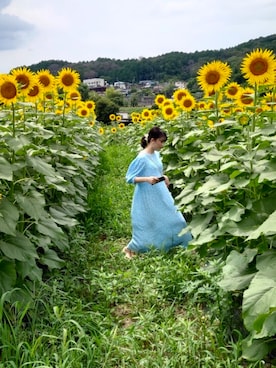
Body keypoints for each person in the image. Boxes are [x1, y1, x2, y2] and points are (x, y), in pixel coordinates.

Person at [123, 126, 192, 259]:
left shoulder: (156, 154)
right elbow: (129, 178)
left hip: (161, 192)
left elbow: (156, 171)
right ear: (152, 140)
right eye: (161, 141)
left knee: (176, 218)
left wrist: (163, 177)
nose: (163, 145)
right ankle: (130, 248)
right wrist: (147, 179)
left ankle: (180, 244)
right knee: (148, 222)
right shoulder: (142, 158)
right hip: (147, 195)